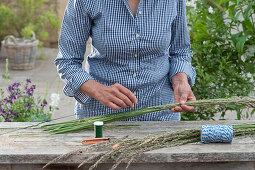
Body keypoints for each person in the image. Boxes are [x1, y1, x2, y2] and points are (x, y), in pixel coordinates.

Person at [55, 0, 196, 121]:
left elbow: (181, 51)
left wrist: (181, 81)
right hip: (102, 116)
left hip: (160, 114)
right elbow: (67, 61)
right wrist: (97, 90)